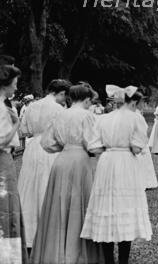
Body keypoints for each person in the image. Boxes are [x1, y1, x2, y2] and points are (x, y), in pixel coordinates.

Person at [31, 83, 103, 264]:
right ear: (87, 99)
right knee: (80, 202)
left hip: (62, 160)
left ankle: (56, 251)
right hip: (80, 161)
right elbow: (93, 144)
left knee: (59, 203)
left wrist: (64, 146)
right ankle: (77, 251)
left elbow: (47, 143)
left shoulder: (60, 114)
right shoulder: (87, 116)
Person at [81, 87, 152, 264]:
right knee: (124, 207)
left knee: (107, 207)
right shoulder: (136, 118)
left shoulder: (103, 118)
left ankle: (108, 261)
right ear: (133, 102)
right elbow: (137, 147)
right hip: (125, 162)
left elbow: (94, 147)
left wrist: (109, 148)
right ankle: (123, 261)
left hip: (107, 162)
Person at [17, 78, 68, 249]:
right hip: (50, 148)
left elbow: (24, 131)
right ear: (60, 93)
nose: (64, 99)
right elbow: (62, 134)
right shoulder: (58, 109)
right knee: (47, 187)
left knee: (30, 189)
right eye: (64, 96)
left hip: (32, 149)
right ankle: (48, 233)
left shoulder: (32, 106)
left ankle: (29, 233)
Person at [0, 60, 28, 263]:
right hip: (2, 161)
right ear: (6, 83)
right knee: (6, 207)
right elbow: (1, 141)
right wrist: (16, 123)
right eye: (15, 83)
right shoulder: (2, 108)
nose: (16, 87)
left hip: (5, 160)